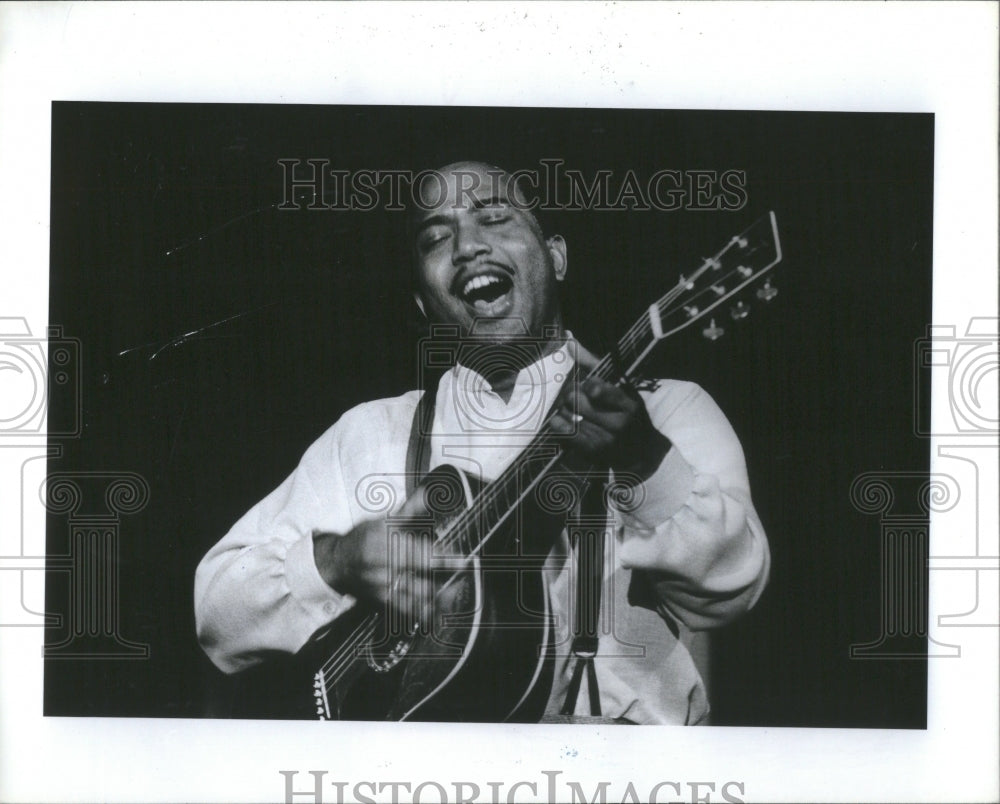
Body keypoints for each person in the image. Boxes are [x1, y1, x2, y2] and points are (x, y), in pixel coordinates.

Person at [194, 161, 770, 725]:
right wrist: (336, 561)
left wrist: (645, 461)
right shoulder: (370, 435)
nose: (467, 246)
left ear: (557, 256)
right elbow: (217, 615)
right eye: (436, 238)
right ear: (422, 302)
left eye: (495, 218)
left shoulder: (667, 410)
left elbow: (731, 591)